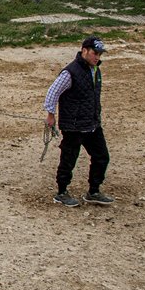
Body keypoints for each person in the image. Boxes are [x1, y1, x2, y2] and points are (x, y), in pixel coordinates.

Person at [43, 36, 115, 207]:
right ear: (84, 51)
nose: (97, 57)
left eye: (99, 54)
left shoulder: (96, 71)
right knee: (68, 159)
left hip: (92, 124)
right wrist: (50, 115)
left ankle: (94, 191)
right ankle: (61, 192)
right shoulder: (70, 72)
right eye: (94, 53)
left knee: (102, 157)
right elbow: (53, 92)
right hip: (74, 125)